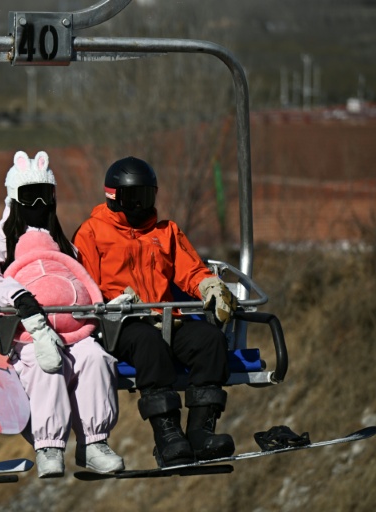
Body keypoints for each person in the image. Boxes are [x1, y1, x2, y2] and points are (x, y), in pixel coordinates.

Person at [72, 156, 238, 467]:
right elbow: (83, 285)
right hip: (120, 326)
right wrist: (112, 303)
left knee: (209, 340)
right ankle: (168, 437)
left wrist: (209, 288)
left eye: (147, 196)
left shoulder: (166, 232)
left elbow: (191, 270)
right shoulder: (92, 233)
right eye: (134, 198)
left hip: (167, 319)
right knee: (149, 344)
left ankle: (201, 433)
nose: (141, 205)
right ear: (115, 197)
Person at [0, 150, 124, 478]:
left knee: (94, 358)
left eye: (45, 196)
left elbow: (81, 277)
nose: (38, 205)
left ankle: (94, 442)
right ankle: (49, 444)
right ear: (14, 200)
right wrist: (17, 298)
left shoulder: (60, 243)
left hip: (74, 330)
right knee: (46, 364)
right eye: (29, 197)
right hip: (26, 334)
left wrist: (101, 302)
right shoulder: (0, 240)